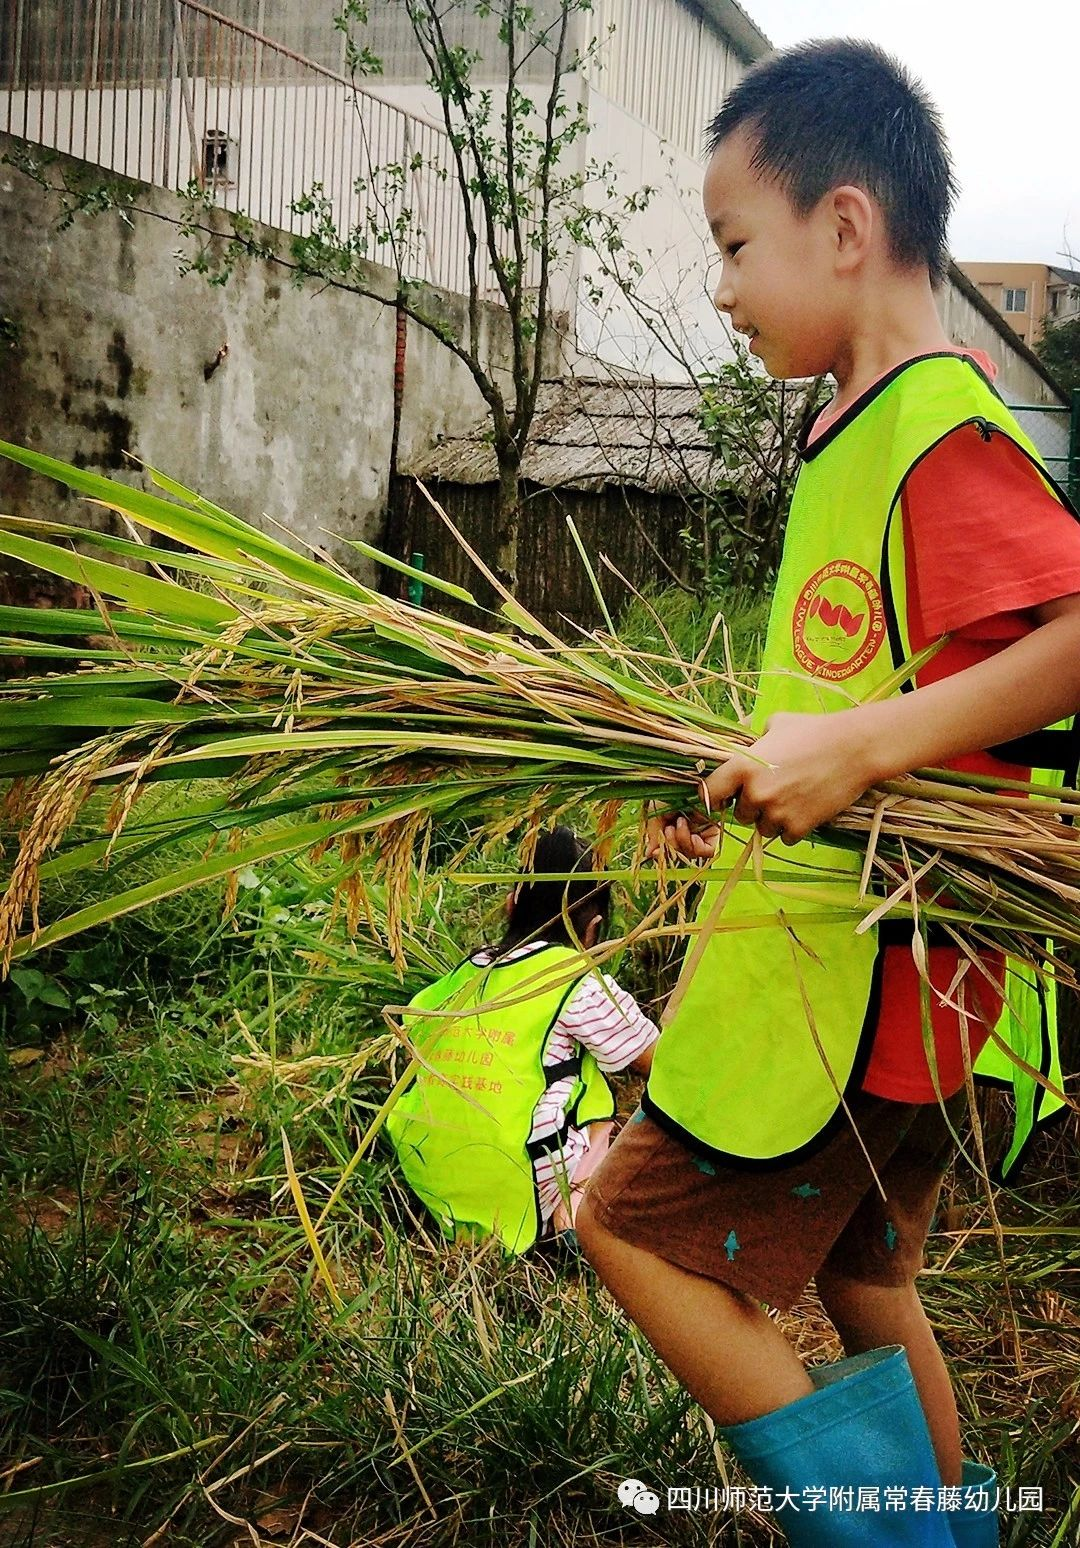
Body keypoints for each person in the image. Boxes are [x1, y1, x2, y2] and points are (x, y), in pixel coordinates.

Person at [575, 39, 1080, 1548]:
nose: (722, 288)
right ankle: (959, 1533)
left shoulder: (941, 428)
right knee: (867, 1279)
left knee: (623, 1225)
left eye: (736, 245)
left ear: (845, 228)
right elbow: (855, 684)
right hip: (882, 985)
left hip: (864, 993)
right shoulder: (849, 430)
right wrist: (752, 774)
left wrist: (852, 756)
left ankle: (896, 1541)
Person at [385, 826, 658, 1255]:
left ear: (512, 902)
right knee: (595, 1101)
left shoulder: (467, 970)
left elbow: (416, 1024)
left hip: (425, 1173)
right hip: (517, 1182)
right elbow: (656, 1062)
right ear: (594, 928)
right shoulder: (576, 982)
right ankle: (568, 1219)